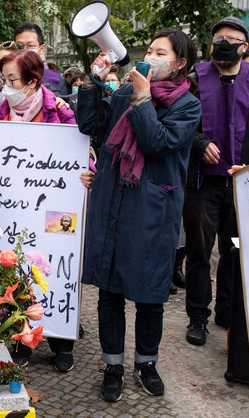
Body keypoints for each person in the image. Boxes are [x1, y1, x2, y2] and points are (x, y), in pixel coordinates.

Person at [78, 28, 201, 400]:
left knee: (149, 295)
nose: (151, 55)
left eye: (160, 52)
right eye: (149, 49)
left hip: (152, 211)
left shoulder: (187, 104)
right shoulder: (126, 92)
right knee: (110, 293)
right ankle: (112, 364)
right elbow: (92, 128)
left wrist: (144, 99)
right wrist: (92, 85)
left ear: (180, 63)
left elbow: (158, 142)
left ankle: (146, 363)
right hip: (113, 202)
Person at [183, 17, 249, 345]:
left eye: (233, 38)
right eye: (219, 37)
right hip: (203, 182)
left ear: (244, 46)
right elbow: (180, 123)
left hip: (245, 183)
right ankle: (198, 316)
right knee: (199, 250)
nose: (225, 42)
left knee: (234, 251)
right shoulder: (194, 78)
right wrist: (199, 143)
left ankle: (227, 309)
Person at [0, 48, 78, 372]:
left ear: (32, 81)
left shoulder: (60, 111)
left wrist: (88, 171)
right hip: (14, 207)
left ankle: (61, 342)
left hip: (55, 211)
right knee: (17, 275)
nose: (7, 86)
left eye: (13, 80)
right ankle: (21, 339)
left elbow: (80, 154)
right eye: (4, 79)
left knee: (56, 270)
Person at [13, 22, 68, 95]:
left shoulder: (56, 79)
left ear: (41, 49)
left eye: (30, 46)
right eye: (19, 47)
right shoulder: (8, 77)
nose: (25, 51)